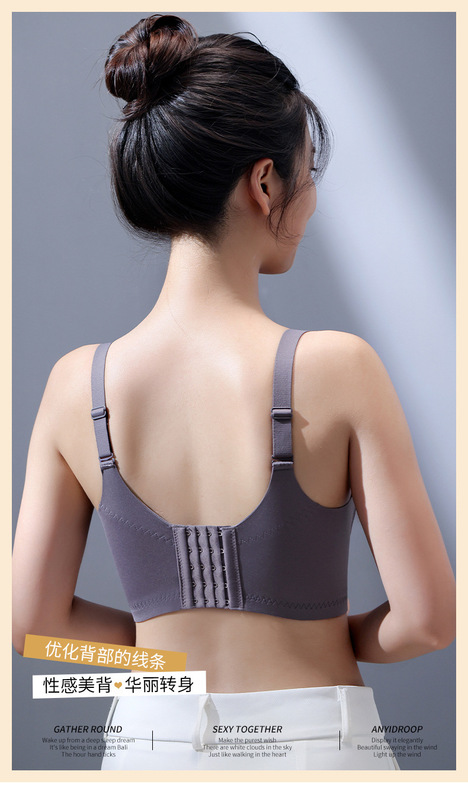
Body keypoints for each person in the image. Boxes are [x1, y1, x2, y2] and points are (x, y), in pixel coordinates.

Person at [12, 14, 455, 771]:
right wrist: (318, 637)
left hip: (150, 753)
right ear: (264, 181)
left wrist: (165, 661)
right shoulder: (339, 368)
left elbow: (32, 626)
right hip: (318, 749)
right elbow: (428, 621)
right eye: (308, 173)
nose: (310, 201)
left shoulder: (74, 386)